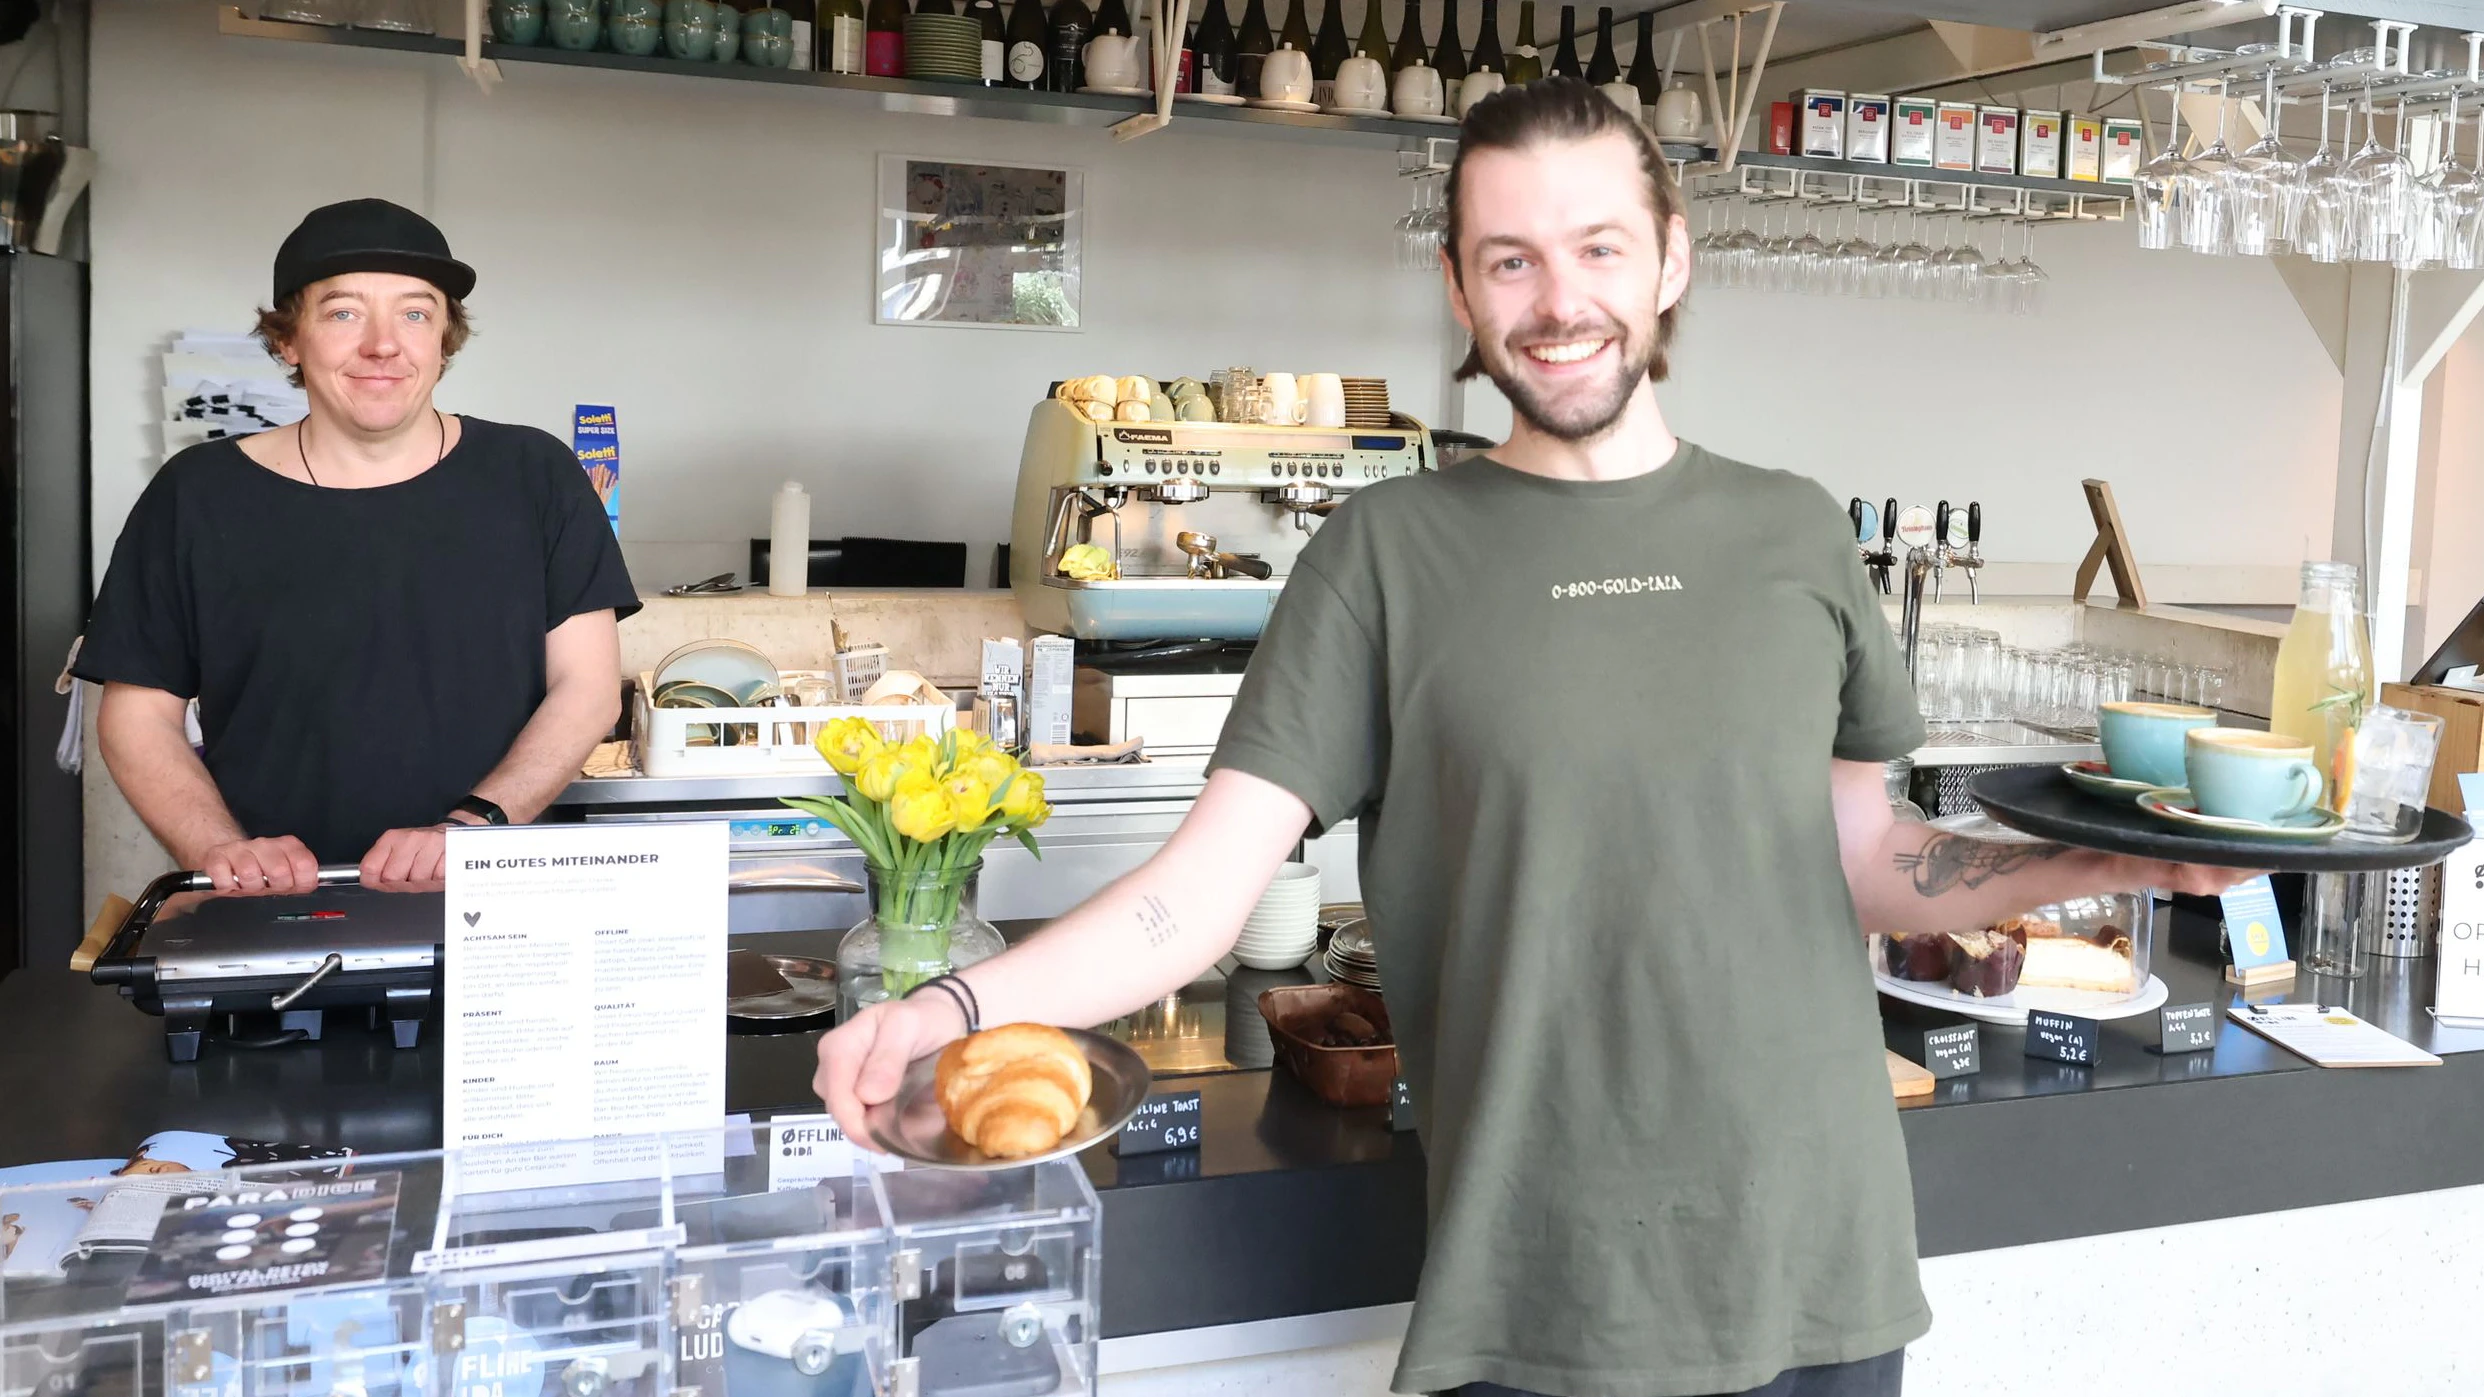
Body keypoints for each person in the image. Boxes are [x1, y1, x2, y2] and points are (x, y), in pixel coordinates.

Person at [814, 81, 2248, 1397]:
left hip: (1821, 1261)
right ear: (1458, 284)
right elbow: (1196, 897)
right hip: (1540, 1282)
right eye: (1511, 260)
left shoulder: (1795, 530)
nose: (1559, 302)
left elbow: (1867, 857)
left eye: (1599, 248)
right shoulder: (1385, 554)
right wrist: (947, 1011)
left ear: (1673, 259)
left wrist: (2090, 866)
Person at [79, 199, 638, 895]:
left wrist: (475, 825)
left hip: (496, 905)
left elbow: (586, 688)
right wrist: (222, 847)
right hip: (272, 908)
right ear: (288, 339)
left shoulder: (535, 475)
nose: (383, 344)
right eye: (343, 313)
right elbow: (137, 715)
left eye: (415, 313)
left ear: (443, 338)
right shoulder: (195, 495)